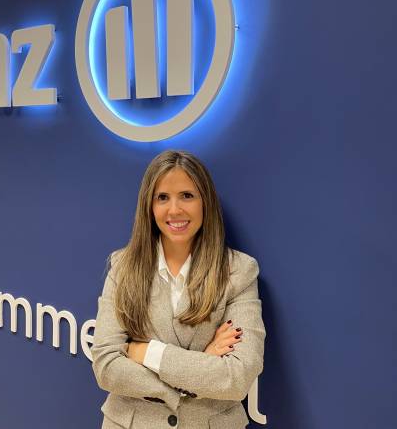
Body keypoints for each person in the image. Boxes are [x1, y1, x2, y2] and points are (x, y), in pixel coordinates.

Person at [92, 150, 266, 428]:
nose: (174, 210)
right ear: (149, 206)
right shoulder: (123, 266)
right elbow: (106, 366)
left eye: (187, 195)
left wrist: (147, 353)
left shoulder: (238, 271)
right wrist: (199, 366)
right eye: (162, 197)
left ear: (205, 201)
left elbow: (237, 377)